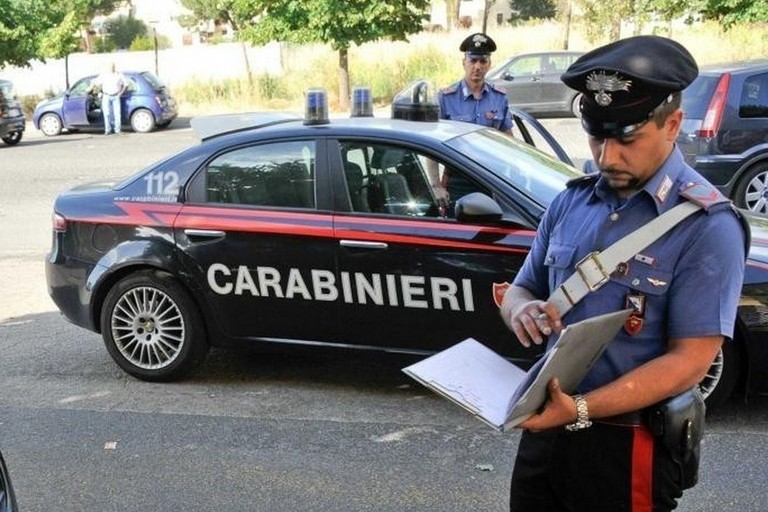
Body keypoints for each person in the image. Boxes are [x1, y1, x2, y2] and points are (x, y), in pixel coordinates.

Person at [499, 35, 747, 511]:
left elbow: (690, 361)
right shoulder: (571, 201)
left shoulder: (706, 226)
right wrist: (523, 309)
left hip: (628, 442)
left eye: (627, 137)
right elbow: (523, 287)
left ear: (672, 124)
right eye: (597, 136)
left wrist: (582, 410)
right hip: (544, 431)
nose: (607, 156)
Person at [89, 63, 127, 135]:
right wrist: (95, 89)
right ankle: (107, 130)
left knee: (117, 114)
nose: (111, 68)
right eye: (110, 67)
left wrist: (120, 94)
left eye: (112, 67)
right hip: (106, 95)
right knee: (107, 113)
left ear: (114, 67)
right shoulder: (104, 75)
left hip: (116, 96)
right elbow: (95, 82)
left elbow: (125, 85)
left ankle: (117, 130)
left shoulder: (119, 75)